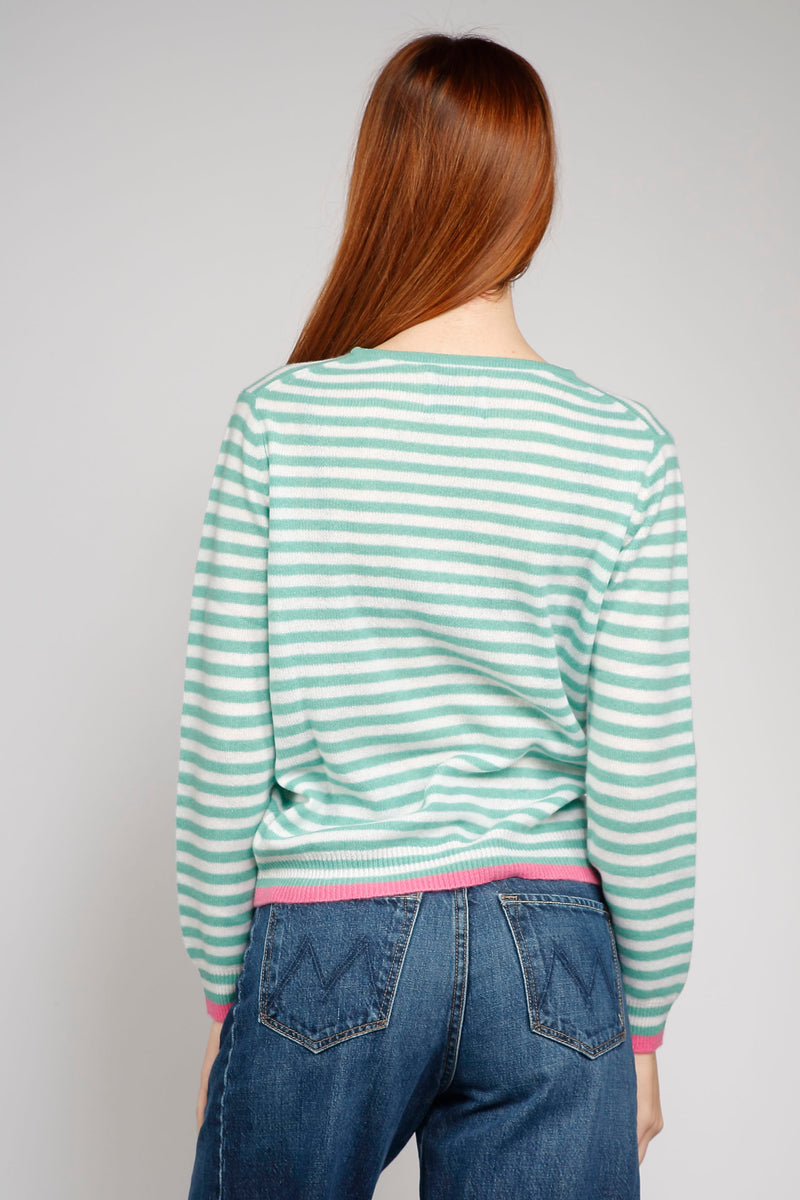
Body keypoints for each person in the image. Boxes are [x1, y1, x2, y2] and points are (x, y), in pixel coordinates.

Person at [176, 30, 696, 1200]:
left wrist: (223, 1001)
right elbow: (641, 775)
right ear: (532, 197)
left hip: (324, 938)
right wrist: (643, 1027)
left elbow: (223, 752)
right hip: (552, 959)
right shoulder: (624, 451)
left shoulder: (278, 424)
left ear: (381, 185)